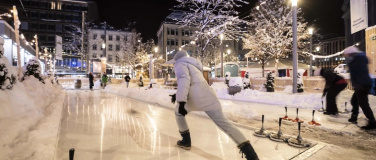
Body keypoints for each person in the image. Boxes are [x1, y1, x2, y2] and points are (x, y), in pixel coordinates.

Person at [170, 50, 258, 160]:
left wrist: (181, 101)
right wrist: (177, 95)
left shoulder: (179, 64)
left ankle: (186, 141)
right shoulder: (194, 65)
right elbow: (194, 83)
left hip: (195, 99)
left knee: (178, 113)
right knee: (224, 124)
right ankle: (251, 154)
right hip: (210, 97)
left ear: (177, 59)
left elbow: (184, 80)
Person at [344, 46, 376, 130]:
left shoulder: (357, 60)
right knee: (354, 101)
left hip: (362, 84)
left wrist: (359, 84)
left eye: (347, 55)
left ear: (351, 54)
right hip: (361, 84)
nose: (346, 57)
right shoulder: (357, 59)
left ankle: (372, 122)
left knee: (363, 103)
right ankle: (354, 117)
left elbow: (359, 73)